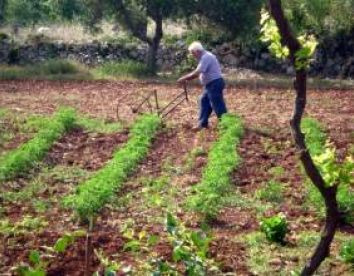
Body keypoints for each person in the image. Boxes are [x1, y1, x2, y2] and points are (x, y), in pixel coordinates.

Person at [177, 41, 227, 130]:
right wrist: (187, 78)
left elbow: (197, 72)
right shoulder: (204, 57)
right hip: (210, 85)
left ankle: (227, 124)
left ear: (197, 51)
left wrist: (184, 78)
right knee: (204, 101)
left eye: (193, 53)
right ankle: (202, 124)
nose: (193, 55)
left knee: (217, 105)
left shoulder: (206, 57)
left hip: (215, 83)